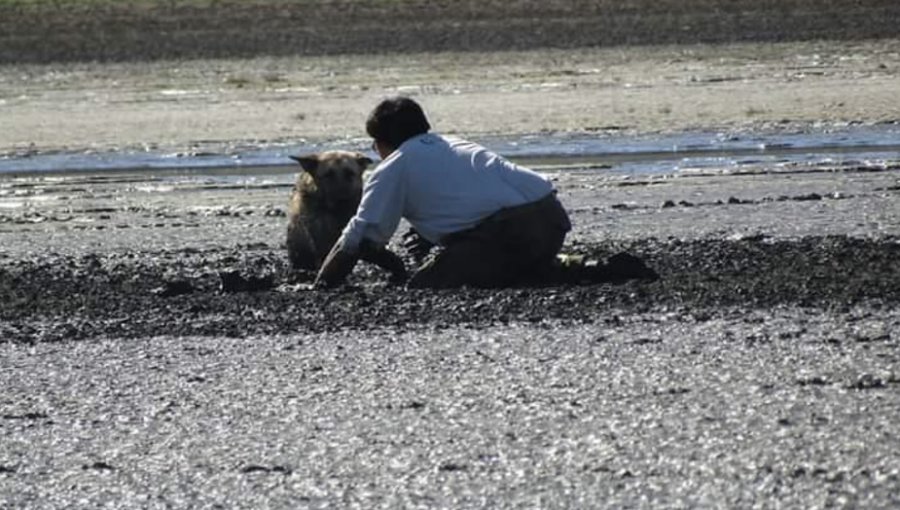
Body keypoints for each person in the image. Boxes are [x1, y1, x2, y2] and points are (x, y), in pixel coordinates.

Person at [314, 96, 572, 289]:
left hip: (510, 233)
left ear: (382, 143)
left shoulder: (393, 167)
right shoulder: (455, 143)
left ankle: (543, 271)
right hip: (551, 219)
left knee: (424, 287)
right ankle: (563, 268)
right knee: (516, 269)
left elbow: (357, 239)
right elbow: (468, 202)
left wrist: (322, 286)